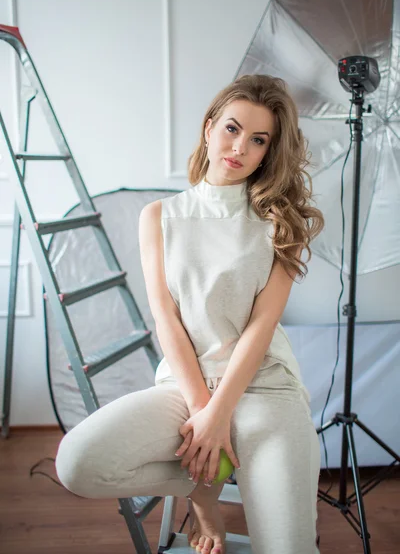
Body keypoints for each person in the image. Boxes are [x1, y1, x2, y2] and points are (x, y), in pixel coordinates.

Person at [55, 74, 325, 554]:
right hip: (184, 385)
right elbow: (167, 319)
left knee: (289, 548)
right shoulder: (158, 216)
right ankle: (203, 495)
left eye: (258, 140)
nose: (240, 146)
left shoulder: (282, 223)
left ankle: (206, 477)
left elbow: (261, 329)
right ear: (208, 128)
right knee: (77, 462)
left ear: (269, 152)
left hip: (264, 387)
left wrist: (221, 416)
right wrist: (205, 414)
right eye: (232, 128)